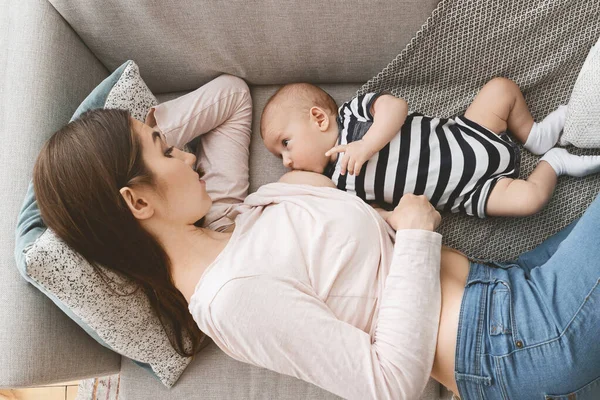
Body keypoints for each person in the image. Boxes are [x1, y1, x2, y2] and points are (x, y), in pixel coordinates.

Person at [32, 74, 600, 399]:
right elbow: (387, 382)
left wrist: (126, 143)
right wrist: (417, 237)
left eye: (168, 138)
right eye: (164, 150)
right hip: (510, 342)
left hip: (507, 287)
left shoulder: (231, 219)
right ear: (137, 201)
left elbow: (231, 98)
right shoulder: (232, 299)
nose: (184, 152)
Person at [260, 79, 600, 217]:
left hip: (469, 132)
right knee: (529, 200)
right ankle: (554, 163)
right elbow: (371, 216)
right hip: (469, 192)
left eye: (285, 144)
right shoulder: (337, 186)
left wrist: (366, 145)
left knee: (500, 89)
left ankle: (534, 135)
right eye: (280, 156)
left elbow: (397, 108)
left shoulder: (355, 113)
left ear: (318, 118)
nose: (287, 161)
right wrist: (392, 219)